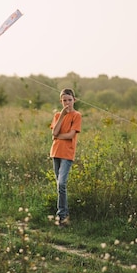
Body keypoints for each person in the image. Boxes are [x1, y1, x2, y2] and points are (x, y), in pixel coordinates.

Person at [50, 88, 82, 227]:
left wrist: (58, 136)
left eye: (69, 100)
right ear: (61, 101)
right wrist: (62, 115)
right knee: (59, 186)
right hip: (56, 152)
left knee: (62, 183)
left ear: (74, 100)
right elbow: (54, 132)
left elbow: (70, 135)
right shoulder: (58, 115)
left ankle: (62, 215)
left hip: (67, 154)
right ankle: (63, 216)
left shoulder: (77, 115)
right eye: (64, 101)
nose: (67, 103)